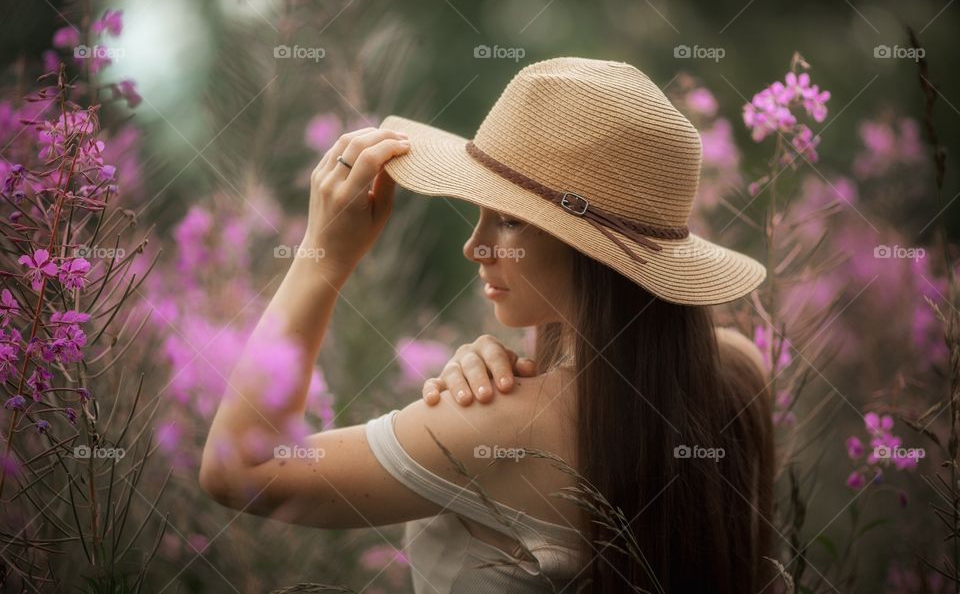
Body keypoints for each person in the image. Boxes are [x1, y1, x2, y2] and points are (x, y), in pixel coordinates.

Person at [199, 57, 776, 593]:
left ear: (590, 252)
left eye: (508, 221)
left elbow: (241, 469)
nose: (475, 246)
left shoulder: (498, 426)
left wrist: (321, 252)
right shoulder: (738, 371)